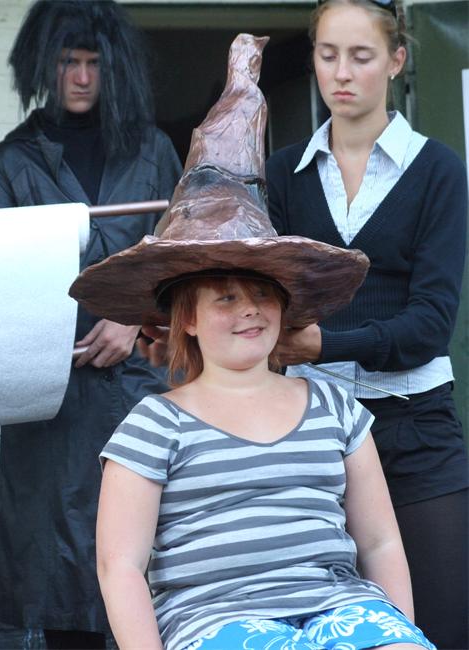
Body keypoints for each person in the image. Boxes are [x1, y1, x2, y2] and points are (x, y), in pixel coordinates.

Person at [265, 1, 468, 648]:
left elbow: (429, 326)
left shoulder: (438, 170)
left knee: (443, 622)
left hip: (413, 427)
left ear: (396, 61)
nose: (342, 73)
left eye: (361, 56)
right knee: (324, 629)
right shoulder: (282, 174)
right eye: (328, 55)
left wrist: (322, 344)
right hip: (308, 431)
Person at [94, 267, 436, 650]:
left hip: (340, 604)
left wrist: (402, 633)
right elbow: (120, 566)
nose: (250, 309)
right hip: (214, 616)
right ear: (188, 318)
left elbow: (379, 542)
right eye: (227, 298)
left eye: (262, 294)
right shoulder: (156, 422)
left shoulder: (334, 405)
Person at [0, 1, 181, 648]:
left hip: (140, 393)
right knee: (62, 589)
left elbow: (188, 264)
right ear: (45, 63)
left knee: (151, 581)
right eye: (69, 60)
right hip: (50, 403)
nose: (82, 76)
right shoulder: (9, 164)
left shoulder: (153, 152)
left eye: (95, 62)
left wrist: (134, 316)